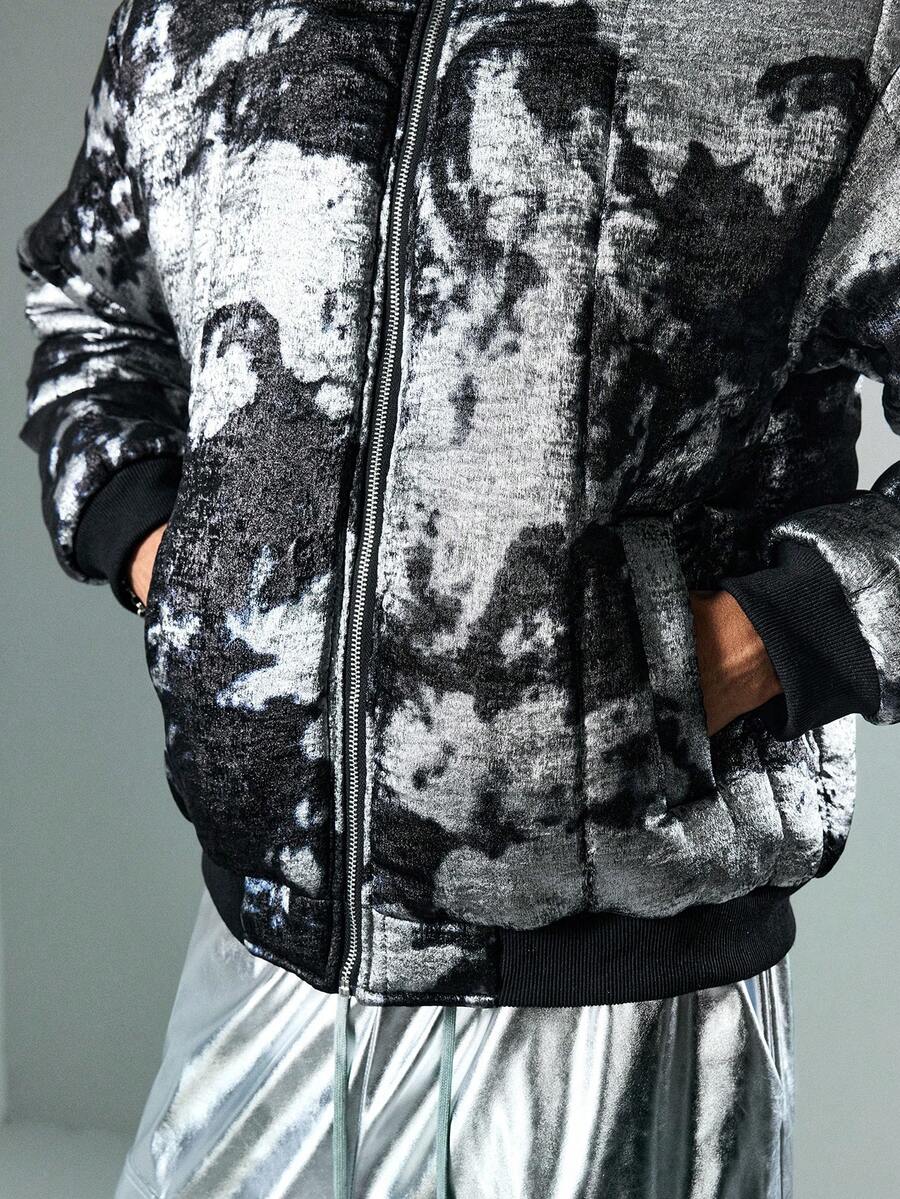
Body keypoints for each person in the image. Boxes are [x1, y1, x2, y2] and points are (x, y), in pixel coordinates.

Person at [16, 2, 899, 1196]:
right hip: (263, 954)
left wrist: (753, 649)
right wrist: (173, 564)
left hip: (622, 1005)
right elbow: (92, 306)